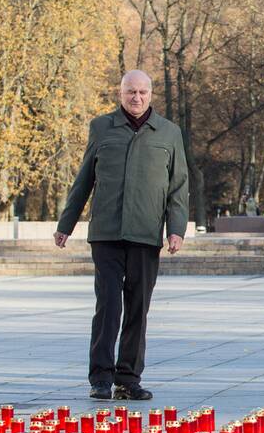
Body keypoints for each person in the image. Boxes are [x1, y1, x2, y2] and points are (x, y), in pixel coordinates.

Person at [54, 70, 189, 401]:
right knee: (109, 305)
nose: (137, 97)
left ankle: (128, 378)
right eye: (131, 91)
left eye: (143, 92)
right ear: (120, 93)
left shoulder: (169, 133)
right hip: (107, 232)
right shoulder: (102, 127)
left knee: (138, 307)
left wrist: (176, 229)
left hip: (145, 233)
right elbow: (84, 179)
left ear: (151, 95)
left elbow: (178, 186)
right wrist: (66, 223)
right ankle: (100, 376)